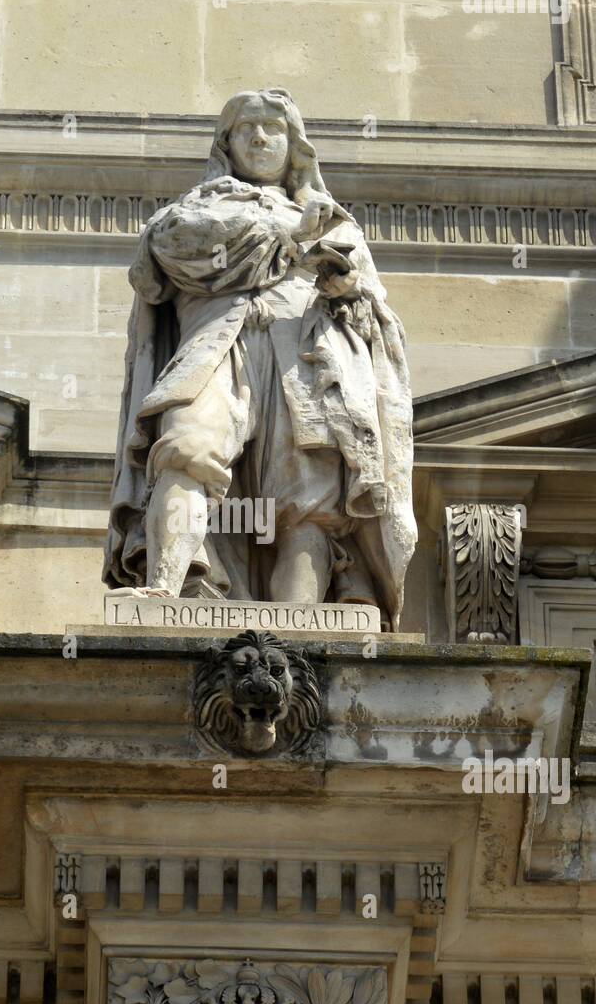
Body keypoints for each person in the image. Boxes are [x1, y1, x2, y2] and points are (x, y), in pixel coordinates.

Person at [103, 87, 416, 629]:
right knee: (186, 445)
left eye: (274, 128)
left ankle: (301, 627)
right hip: (218, 342)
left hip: (307, 354)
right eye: (246, 127)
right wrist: (292, 237)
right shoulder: (195, 208)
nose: (260, 137)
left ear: (295, 146)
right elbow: (171, 253)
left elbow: (375, 324)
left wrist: (344, 289)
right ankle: (164, 587)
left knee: (307, 495)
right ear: (226, 145)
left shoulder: (339, 225)